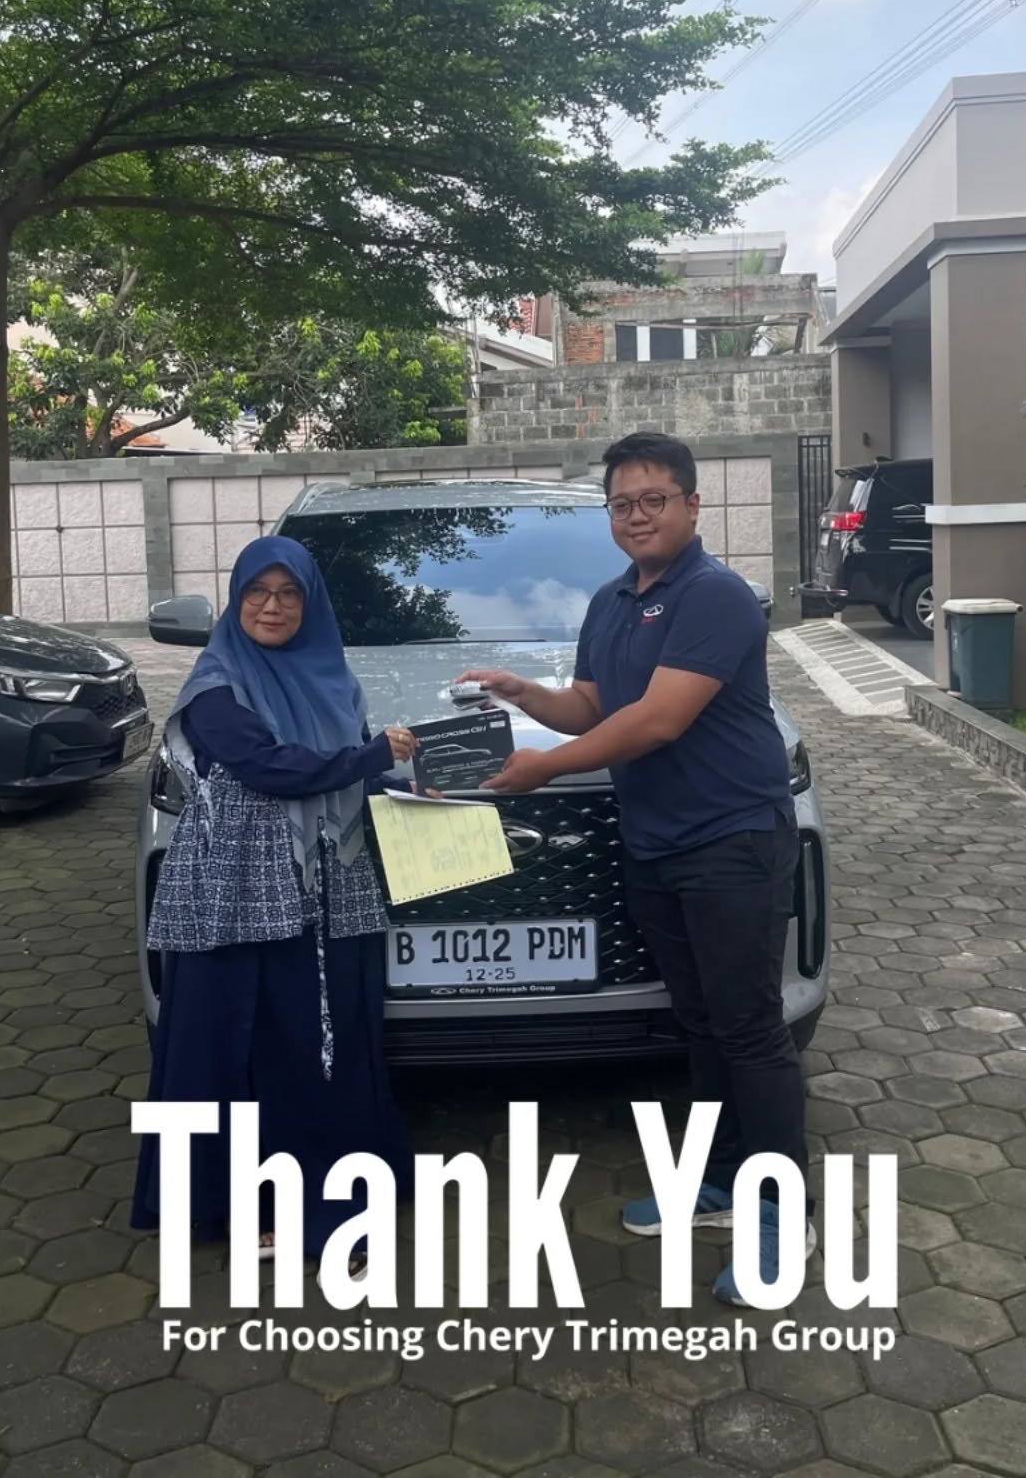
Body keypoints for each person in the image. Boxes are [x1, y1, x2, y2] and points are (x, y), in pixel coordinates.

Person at [458, 431, 809, 1306]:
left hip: (730, 840)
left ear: (692, 505)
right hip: (657, 842)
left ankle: (784, 1215)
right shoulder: (612, 600)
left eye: (655, 499)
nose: (638, 515)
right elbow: (593, 705)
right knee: (701, 1024)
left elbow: (657, 720)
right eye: (623, 504)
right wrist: (524, 694)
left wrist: (544, 769)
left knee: (749, 1029)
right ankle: (718, 1182)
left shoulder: (715, 595)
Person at [132, 535, 417, 1273]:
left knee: (317, 1041)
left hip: (329, 883)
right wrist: (374, 757)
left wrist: (408, 784)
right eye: (257, 592)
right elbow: (268, 765)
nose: (272, 607)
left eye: (290, 593)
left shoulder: (334, 679)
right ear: (236, 600)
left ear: (311, 603)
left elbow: (350, 767)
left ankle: (322, 1194)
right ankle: (246, 1208)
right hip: (237, 893)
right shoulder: (216, 682)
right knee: (243, 1040)